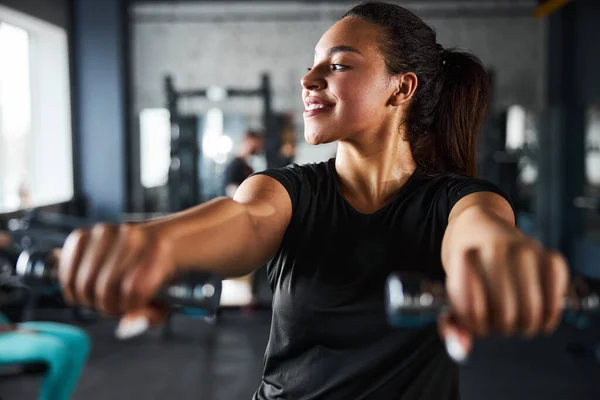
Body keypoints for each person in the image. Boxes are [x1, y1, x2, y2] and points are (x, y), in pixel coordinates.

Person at [56, 2, 569, 399]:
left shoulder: (459, 201)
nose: (308, 80)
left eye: (339, 65)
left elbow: (482, 233)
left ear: (401, 88)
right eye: (311, 66)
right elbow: (244, 219)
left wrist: (499, 259)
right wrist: (155, 244)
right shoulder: (287, 191)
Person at [223, 130, 263, 198]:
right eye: (255, 142)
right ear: (248, 141)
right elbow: (231, 192)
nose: (258, 146)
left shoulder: (246, 165)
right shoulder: (234, 165)